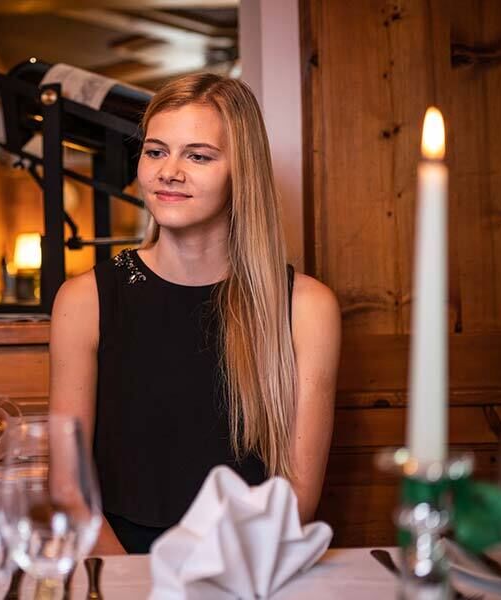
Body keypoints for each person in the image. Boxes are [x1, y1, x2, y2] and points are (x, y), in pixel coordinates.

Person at [50, 74, 342, 554]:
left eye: (199, 155)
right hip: (119, 570)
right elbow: (69, 489)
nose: (169, 171)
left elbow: (296, 497)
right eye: (156, 150)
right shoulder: (85, 300)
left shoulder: (307, 308)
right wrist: (140, 585)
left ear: (241, 171)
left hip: (247, 569)